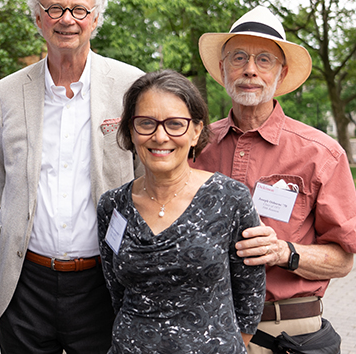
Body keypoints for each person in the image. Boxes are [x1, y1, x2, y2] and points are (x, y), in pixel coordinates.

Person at [0, 0, 144, 353]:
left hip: (103, 282)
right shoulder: (5, 93)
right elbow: (3, 183)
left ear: (96, 19)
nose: (67, 20)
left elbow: (147, 176)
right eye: (55, 9)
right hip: (26, 284)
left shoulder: (131, 85)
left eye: (79, 10)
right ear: (38, 17)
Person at [194, 6, 356, 353]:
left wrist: (284, 251)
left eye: (264, 60)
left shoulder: (320, 153)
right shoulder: (196, 147)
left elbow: (343, 260)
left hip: (286, 333)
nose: (249, 70)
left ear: (281, 72)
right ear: (223, 68)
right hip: (208, 326)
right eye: (239, 57)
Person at [97, 70, 266, 353]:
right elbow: (115, 291)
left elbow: (250, 293)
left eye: (175, 124)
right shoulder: (113, 206)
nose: (160, 136)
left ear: (196, 130)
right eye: (146, 123)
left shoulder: (230, 198)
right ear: (130, 130)